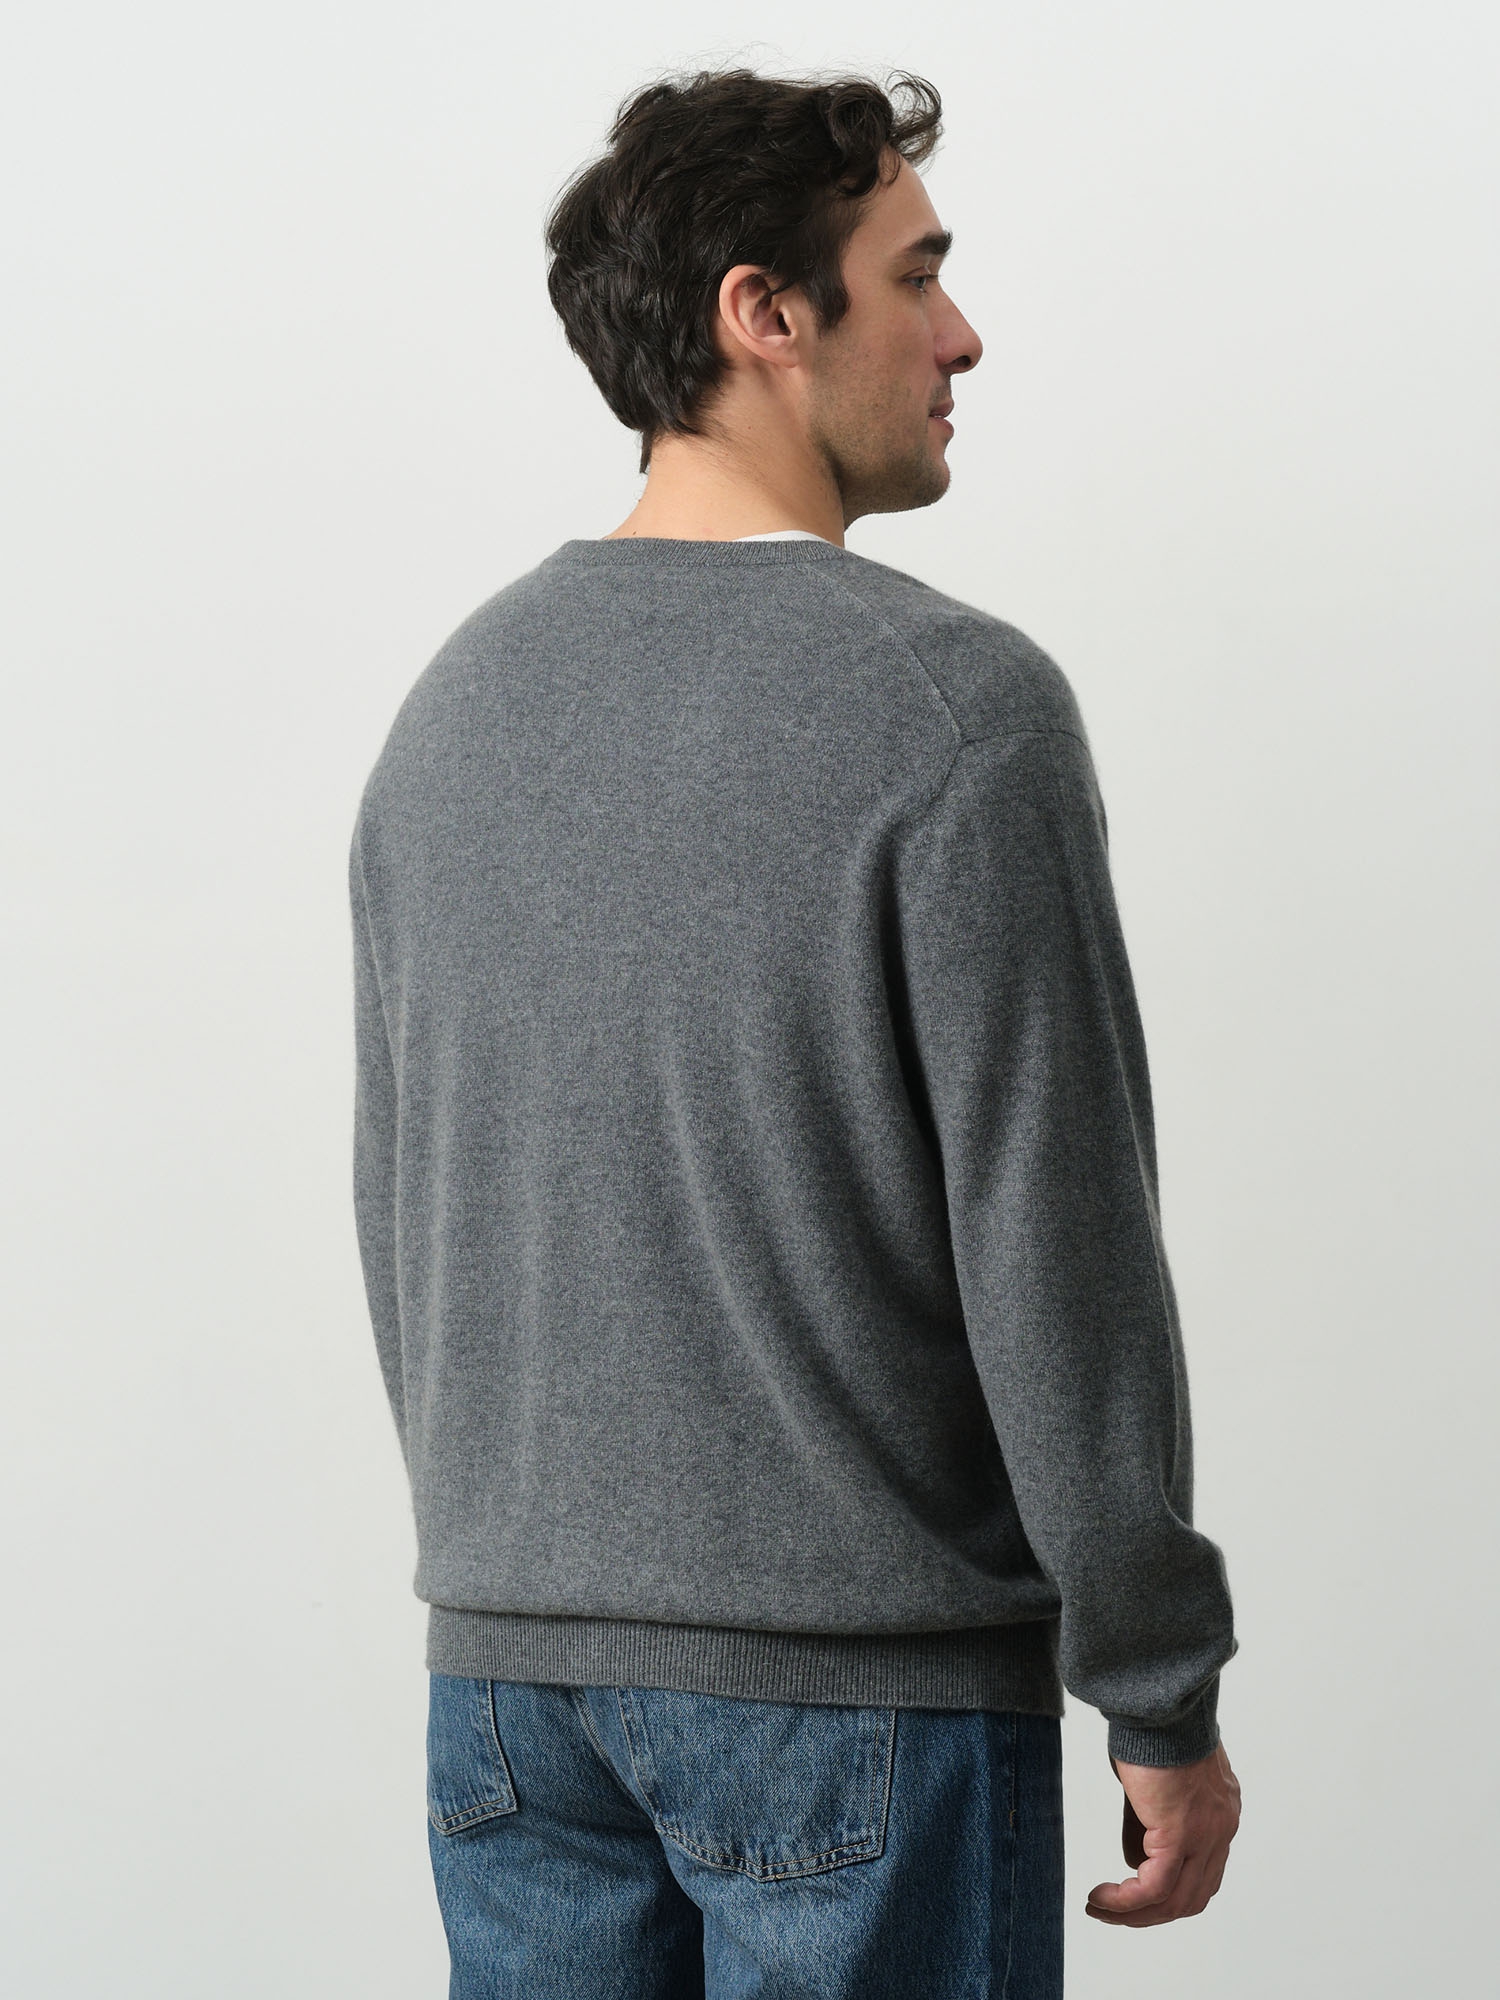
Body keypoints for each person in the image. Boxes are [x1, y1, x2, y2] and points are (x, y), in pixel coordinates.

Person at [349, 65, 1241, 1999]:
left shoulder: (452, 710)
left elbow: (404, 1219)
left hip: (509, 1700)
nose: (962, 334)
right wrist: (1157, 1682)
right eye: (915, 276)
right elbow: (1059, 1250)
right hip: (863, 1702)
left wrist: (526, 1574)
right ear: (765, 311)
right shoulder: (954, 709)